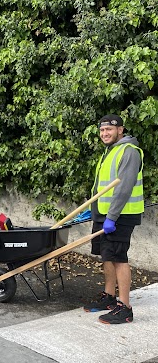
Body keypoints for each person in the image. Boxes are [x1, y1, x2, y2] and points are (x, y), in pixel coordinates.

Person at [83, 114, 144, 324]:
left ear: (120, 130)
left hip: (120, 215)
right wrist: (93, 210)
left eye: (109, 129)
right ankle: (109, 296)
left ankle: (125, 307)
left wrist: (111, 217)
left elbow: (124, 188)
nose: (104, 134)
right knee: (106, 255)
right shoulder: (109, 151)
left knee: (119, 257)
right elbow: (102, 186)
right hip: (105, 213)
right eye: (101, 130)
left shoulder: (129, 151)